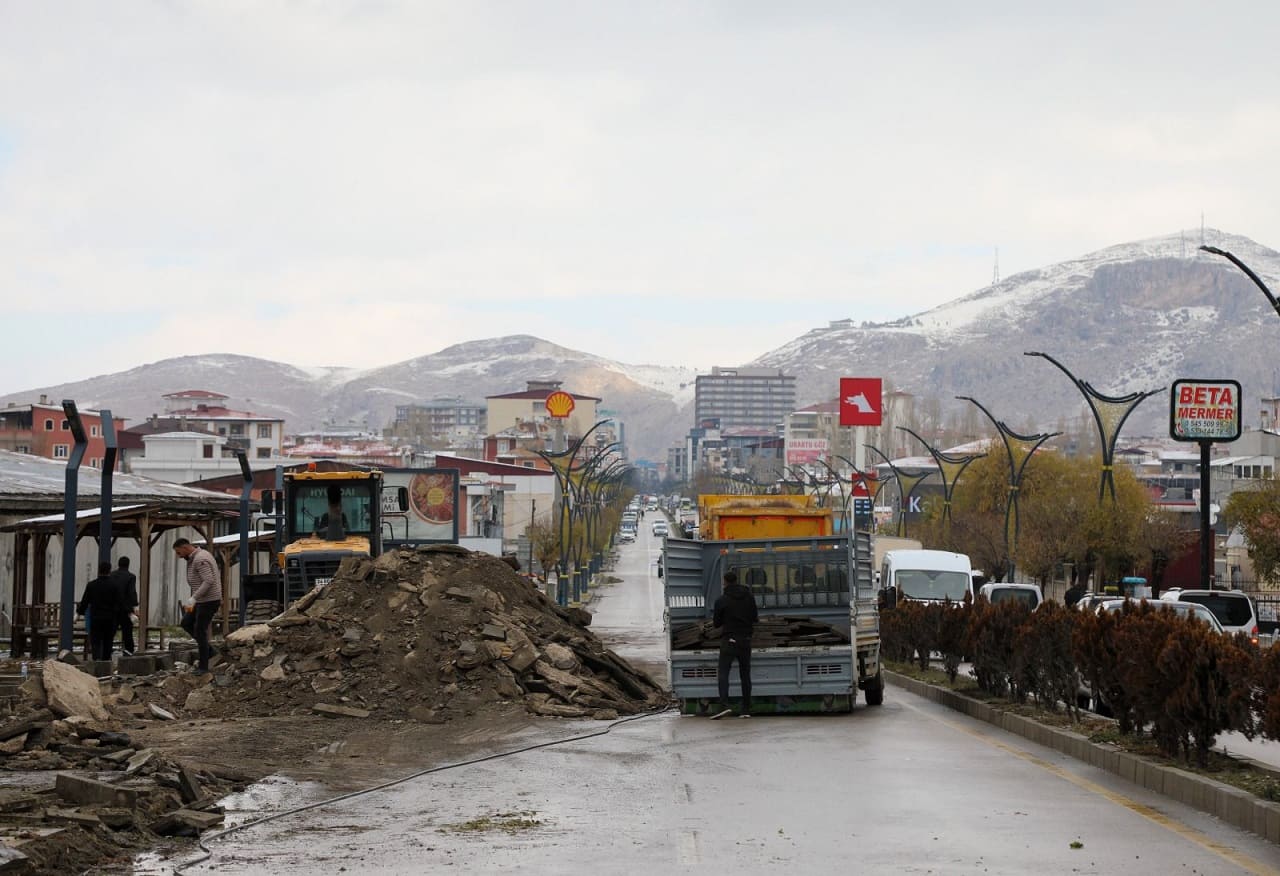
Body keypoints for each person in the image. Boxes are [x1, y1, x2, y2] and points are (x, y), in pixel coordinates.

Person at [711, 570, 758, 719]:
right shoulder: (750, 597)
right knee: (745, 675)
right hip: (745, 640)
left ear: (725, 581)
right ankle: (746, 708)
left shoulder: (722, 600)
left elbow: (716, 623)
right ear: (737, 580)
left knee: (724, 673)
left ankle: (723, 704)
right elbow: (754, 618)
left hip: (729, 640)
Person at [173, 537, 222, 674]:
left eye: (179, 552)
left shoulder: (200, 559)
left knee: (200, 630)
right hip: (201, 600)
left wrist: (194, 597)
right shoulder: (196, 557)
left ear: (185, 548)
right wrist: (194, 599)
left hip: (208, 600)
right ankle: (209, 650)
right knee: (186, 622)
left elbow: (208, 581)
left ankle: (203, 666)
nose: (179, 556)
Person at [77, 561, 121, 661]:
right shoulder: (114, 586)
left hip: (96, 618)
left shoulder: (91, 585)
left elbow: (85, 601)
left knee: (96, 641)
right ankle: (106, 662)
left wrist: (79, 612)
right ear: (109, 571)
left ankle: (96, 661)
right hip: (110, 619)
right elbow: (119, 602)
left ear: (98, 570)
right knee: (108, 642)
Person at [110, 557, 139, 655]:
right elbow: (132, 592)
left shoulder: (111, 575)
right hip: (125, 609)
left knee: (111, 632)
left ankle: (106, 651)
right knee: (127, 632)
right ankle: (129, 652)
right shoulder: (131, 576)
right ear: (128, 564)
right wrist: (134, 606)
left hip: (112, 608)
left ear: (118, 564)